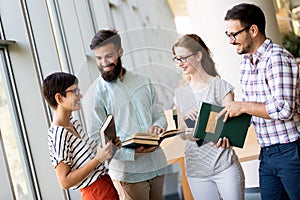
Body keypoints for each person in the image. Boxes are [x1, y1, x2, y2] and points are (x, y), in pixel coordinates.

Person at [224, 3, 300, 200]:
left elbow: (283, 109)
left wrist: (241, 106)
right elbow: (253, 110)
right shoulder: (246, 64)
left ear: (253, 30)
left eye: (234, 35)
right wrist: (226, 133)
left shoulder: (277, 58)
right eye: (228, 35)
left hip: (291, 151)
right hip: (267, 153)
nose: (231, 41)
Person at [88, 29, 169, 200]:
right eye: (99, 58)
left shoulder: (143, 80)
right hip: (129, 175)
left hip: (158, 166)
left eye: (109, 56)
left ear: (120, 52)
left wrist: (158, 127)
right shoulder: (98, 93)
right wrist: (133, 153)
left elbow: (159, 115)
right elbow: (97, 139)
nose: (104, 63)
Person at [172, 34, 245, 200]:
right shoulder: (179, 94)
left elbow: (230, 129)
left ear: (198, 55)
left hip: (224, 163)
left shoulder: (222, 87)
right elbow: (183, 134)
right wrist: (187, 126)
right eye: (176, 58)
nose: (180, 63)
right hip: (196, 169)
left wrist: (220, 133)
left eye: (183, 57)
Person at [42, 72, 120, 200]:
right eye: (75, 91)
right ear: (59, 98)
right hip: (95, 195)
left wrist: (109, 149)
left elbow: (92, 160)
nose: (80, 95)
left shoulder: (73, 123)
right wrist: (98, 159)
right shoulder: (58, 135)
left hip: (106, 187)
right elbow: (64, 182)